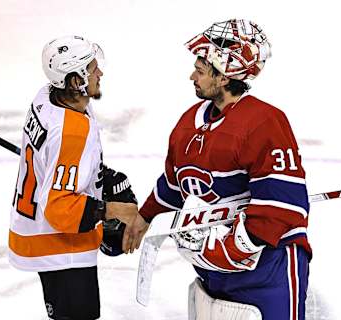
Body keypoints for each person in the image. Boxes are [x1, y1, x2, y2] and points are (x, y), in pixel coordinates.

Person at [126, 19, 311, 320]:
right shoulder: (189, 122)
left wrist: (229, 248)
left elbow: (282, 208)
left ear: (224, 76)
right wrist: (145, 216)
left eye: (200, 70)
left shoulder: (265, 123)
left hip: (266, 271)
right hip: (211, 273)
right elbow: (176, 184)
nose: (191, 76)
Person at [8, 35, 138, 320]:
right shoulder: (71, 132)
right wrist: (113, 210)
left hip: (40, 230)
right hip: (57, 246)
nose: (99, 73)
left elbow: (55, 164)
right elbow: (58, 207)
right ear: (75, 81)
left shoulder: (48, 96)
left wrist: (96, 176)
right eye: (92, 69)